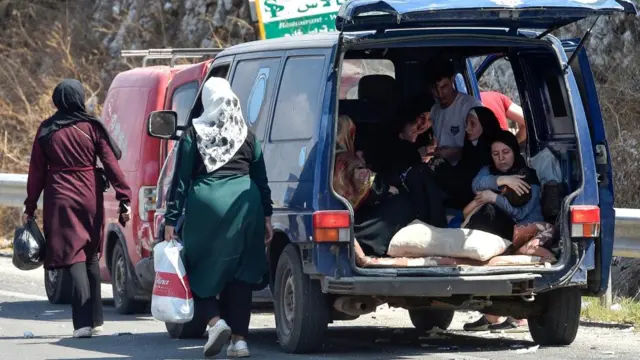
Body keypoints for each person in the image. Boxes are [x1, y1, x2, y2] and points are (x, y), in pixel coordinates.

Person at [163, 77, 273, 358]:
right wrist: (267, 217)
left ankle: (215, 322)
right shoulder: (247, 135)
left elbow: (181, 182)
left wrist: (171, 220)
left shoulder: (193, 135)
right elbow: (261, 180)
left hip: (206, 207)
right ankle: (239, 342)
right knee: (241, 274)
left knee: (194, 270)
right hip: (246, 207)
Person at [23, 79, 132, 338]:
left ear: (57, 100)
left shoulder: (47, 129)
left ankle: (82, 323)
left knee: (74, 255)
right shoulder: (92, 126)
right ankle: (96, 320)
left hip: (60, 194)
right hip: (90, 193)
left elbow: (36, 173)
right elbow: (110, 162)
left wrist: (30, 205)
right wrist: (123, 193)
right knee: (91, 253)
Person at [464, 130, 555, 332]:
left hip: (523, 226)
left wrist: (494, 197)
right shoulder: (489, 171)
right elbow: (476, 184)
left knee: (488, 211)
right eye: (496, 154)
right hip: (502, 226)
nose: (501, 158)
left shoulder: (527, 176)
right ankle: (492, 315)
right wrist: (501, 181)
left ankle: (515, 316)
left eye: (506, 152)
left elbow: (520, 212)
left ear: (514, 151)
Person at [333, 115, 417, 257]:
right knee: (401, 204)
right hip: (356, 222)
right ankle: (374, 246)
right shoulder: (347, 159)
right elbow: (368, 183)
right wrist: (386, 188)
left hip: (343, 214)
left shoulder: (328, 157)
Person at [426, 56, 483, 165]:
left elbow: (484, 148)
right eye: (434, 89)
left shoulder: (471, 106)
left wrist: (457, 153)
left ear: (452, 80)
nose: (440, 93)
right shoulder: (435, 110)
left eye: (444, 87)